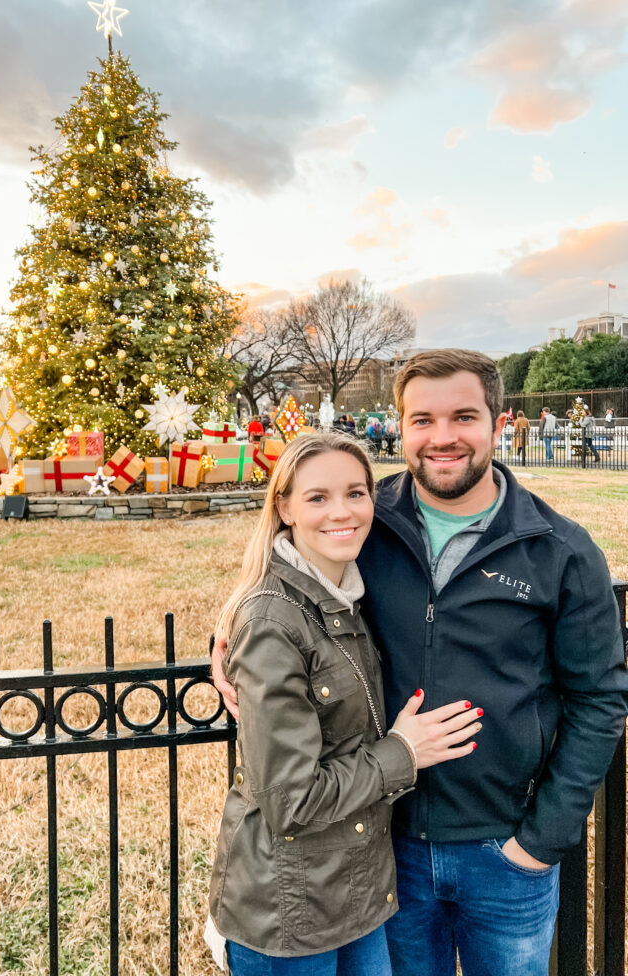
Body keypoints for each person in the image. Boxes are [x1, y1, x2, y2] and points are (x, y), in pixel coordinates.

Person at [213, 349, 628, 976]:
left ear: (497, 421)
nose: (443, 438)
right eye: (422, 420)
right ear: (401, 428)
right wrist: (225, 636)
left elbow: (600, 697)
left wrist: (543, 839)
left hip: (506, 850)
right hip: (385, 847)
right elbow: (287, 579)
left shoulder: (558, 549)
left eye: (463, 417)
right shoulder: (367, 519)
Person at [207, 430, 482, 975]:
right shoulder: (273, 620)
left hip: (358, 896)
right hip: (288, 913)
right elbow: (291, 801)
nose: (343, 512)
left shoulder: (348, 593)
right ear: (283, 507)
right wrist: (404, 751)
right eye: (317, 497)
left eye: (357, 493)